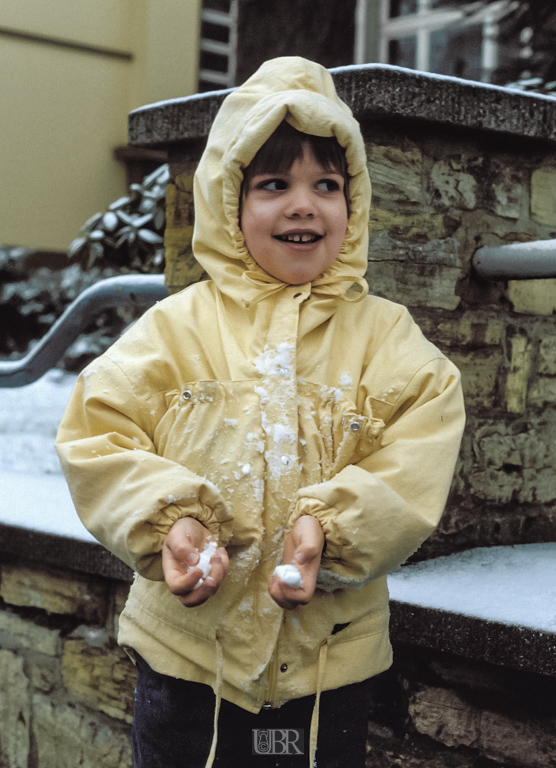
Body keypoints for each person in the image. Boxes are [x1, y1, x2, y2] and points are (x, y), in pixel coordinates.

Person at [56, 57, 465, 768]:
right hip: (186, 668)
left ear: (354, 205)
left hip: (325, 679)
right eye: (274, 184)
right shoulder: (174, 331)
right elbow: (99, 433)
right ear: (227, 204)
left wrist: (326, 531)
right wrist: (170, 520)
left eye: (326, 186)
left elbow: (417, 451)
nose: (304, 205)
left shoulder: (387, 341)